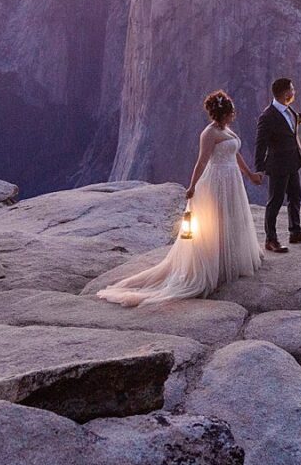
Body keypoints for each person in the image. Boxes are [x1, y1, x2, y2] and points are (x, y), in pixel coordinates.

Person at [95, 90, 264, 306]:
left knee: (231, 219)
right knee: (216, 221)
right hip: (216, 182)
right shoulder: (209, 133)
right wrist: (192, 186)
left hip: (232, 181)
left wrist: (249, 174)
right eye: (232, 112)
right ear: (223, 113)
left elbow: (235, 153)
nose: (234, 115)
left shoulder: (225, 130)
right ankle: (213, 266)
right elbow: (201, 162)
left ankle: (227, 260)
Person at [253, 76, 301, 253]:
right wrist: (259, 169)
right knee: (275, 201)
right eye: (292, 89)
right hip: (278, 165)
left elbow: (299, 119)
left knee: (295, 196)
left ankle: (295, 232)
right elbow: (260, 144)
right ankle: (270, 239)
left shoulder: (288, 111)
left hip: (293, 163)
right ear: (286, 93)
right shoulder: (268, 116)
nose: (294, 92)